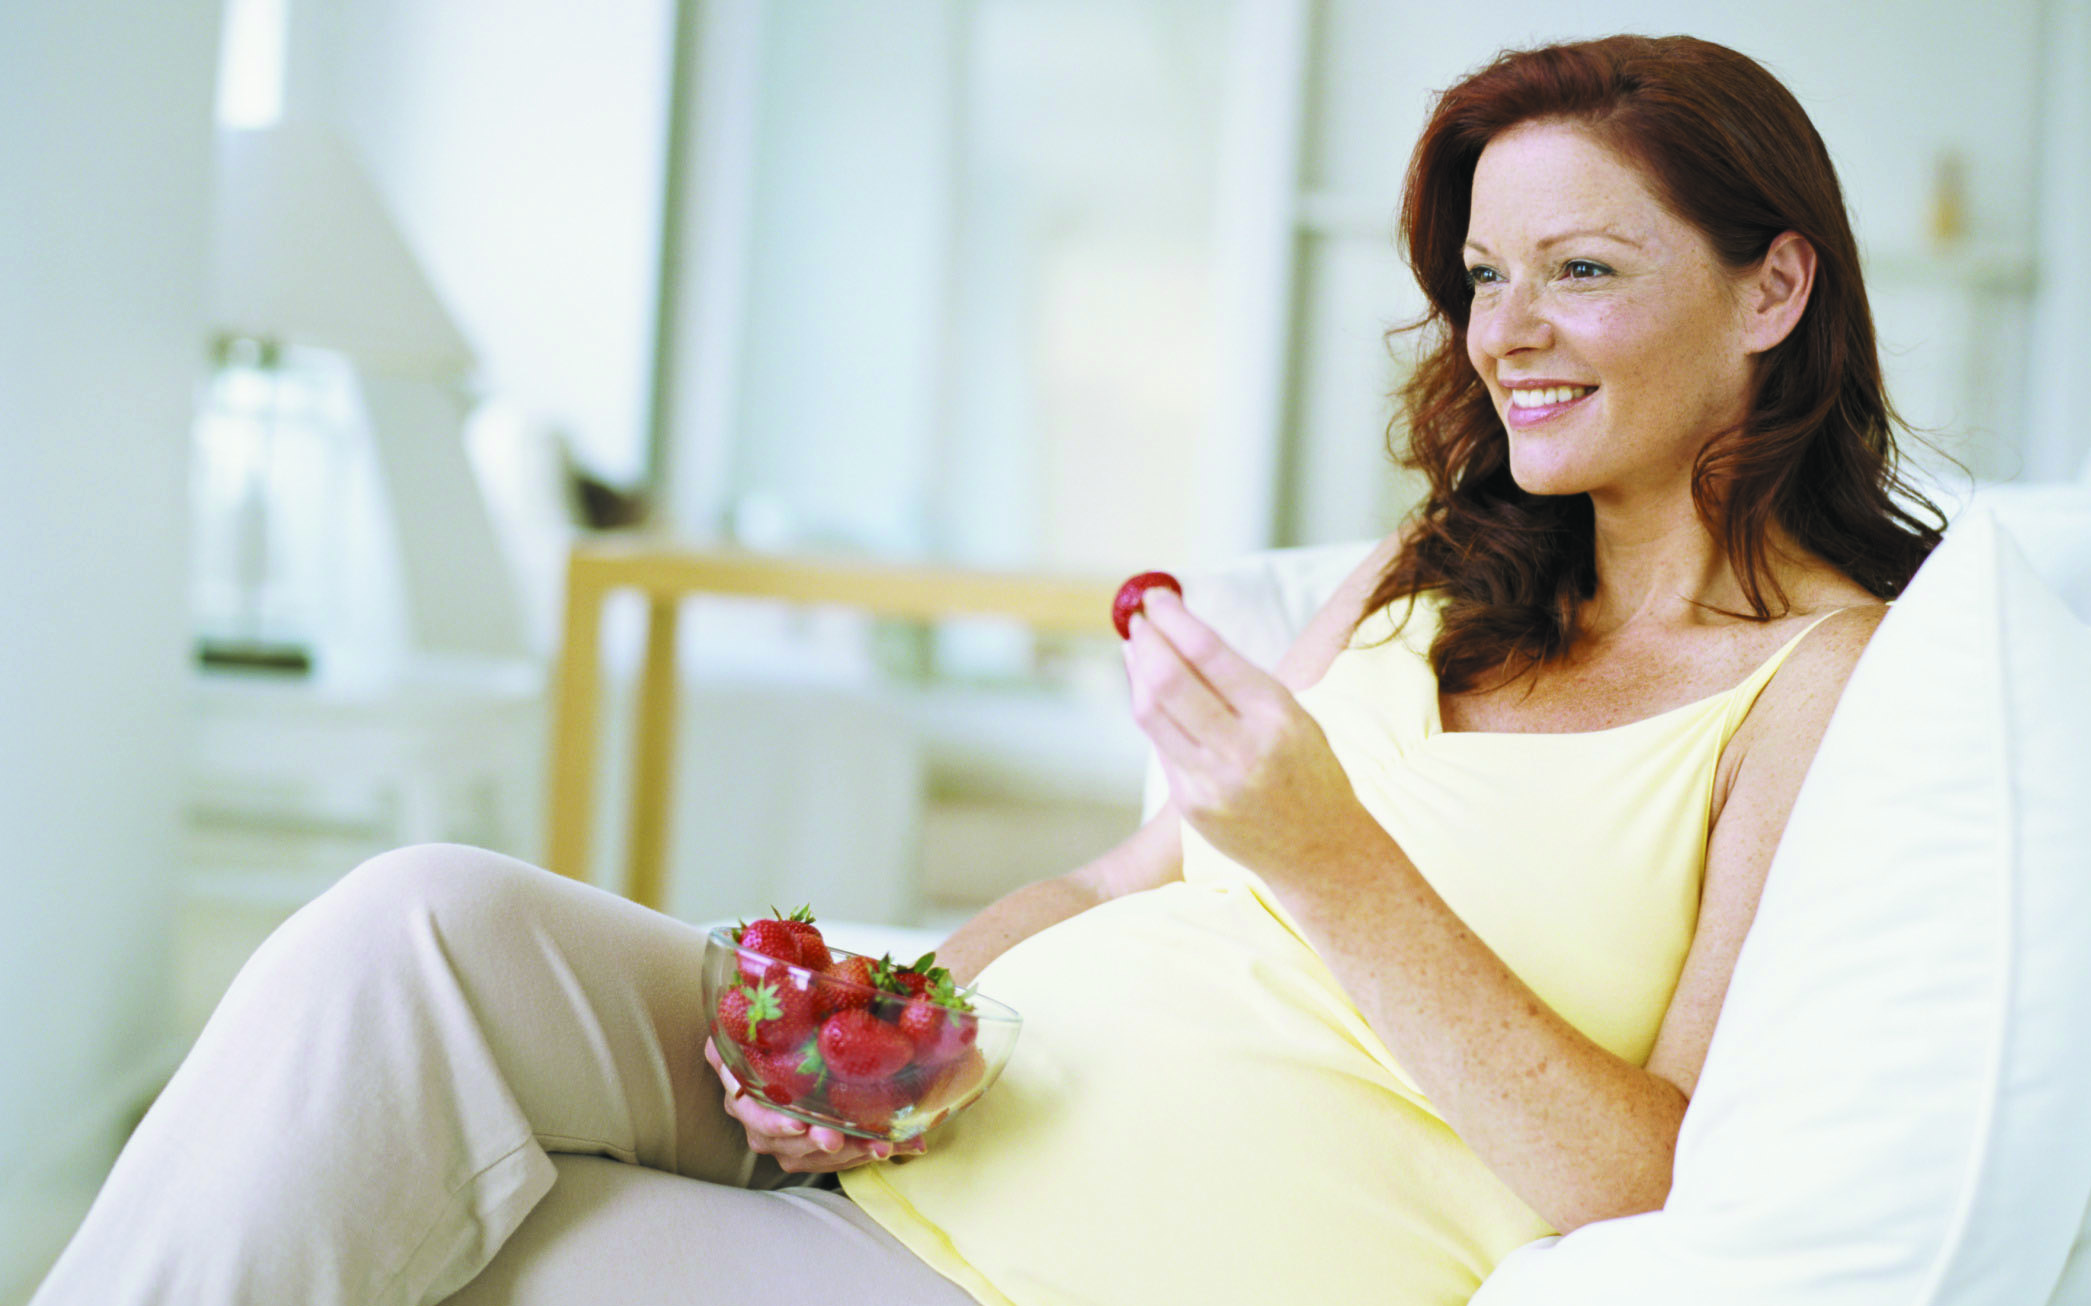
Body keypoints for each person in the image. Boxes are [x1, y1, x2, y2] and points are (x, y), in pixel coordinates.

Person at [35, 32, 1946, 1306]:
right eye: (1481, 274)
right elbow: (1121, 885)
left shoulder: (1833, 686)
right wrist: (887, 1017)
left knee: (423, 1218)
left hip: (1060, 1264)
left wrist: (1329, 855)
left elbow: (1672, 1195)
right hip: (939, 1106)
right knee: (418, 927)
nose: (1508, 329)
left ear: (1772, 289)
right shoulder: (1425, 571)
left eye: (1583, 271)